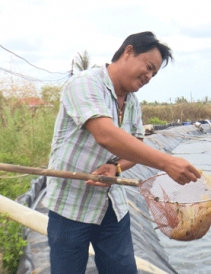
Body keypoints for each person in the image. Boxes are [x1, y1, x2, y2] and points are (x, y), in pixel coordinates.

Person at [43, 31, 201, 274]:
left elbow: (135, 143)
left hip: (111, 206)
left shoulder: (132, 102)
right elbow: (106, 135)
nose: (149, 76)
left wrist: (115, 168)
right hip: (70, 205)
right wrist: (166, 162)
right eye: (148, 67)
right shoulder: (85, 83)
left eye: (154, 74)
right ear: (128, 52)